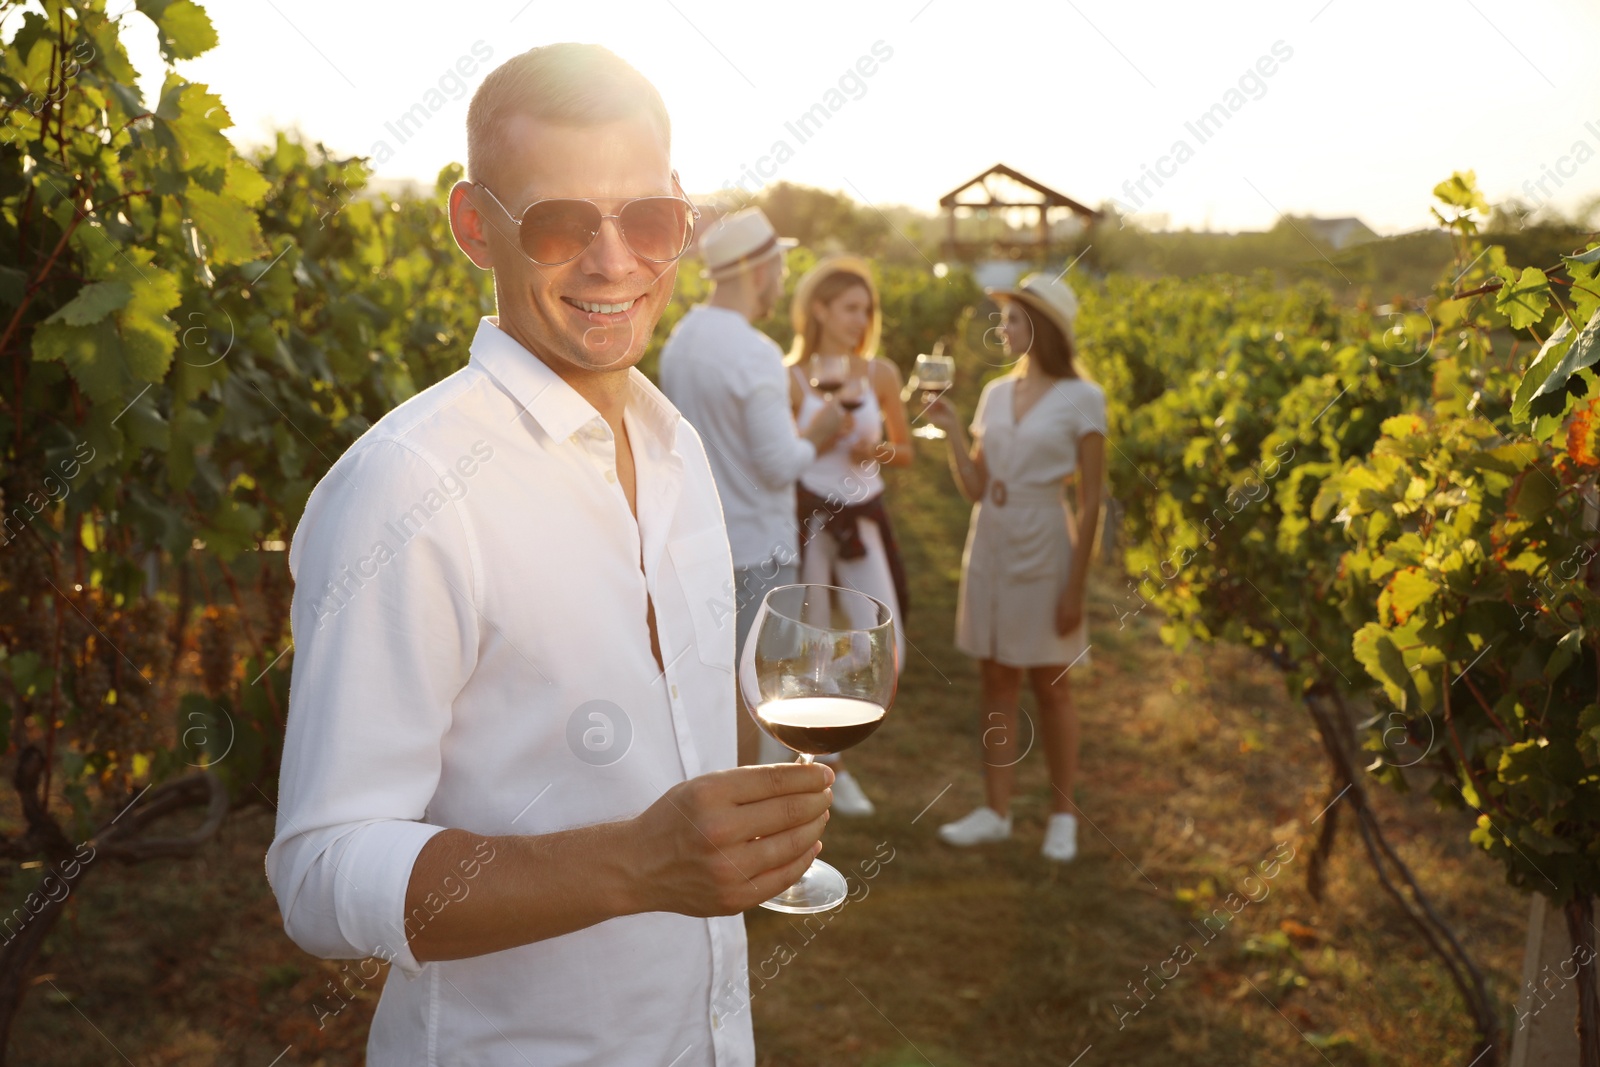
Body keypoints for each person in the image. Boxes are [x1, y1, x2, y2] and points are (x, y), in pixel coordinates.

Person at [265, 44, 835, 1066]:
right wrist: (632, 864)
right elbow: (319, 871)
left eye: (649, 221)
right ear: (475, 228)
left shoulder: (676, 450)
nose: (614, 262)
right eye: (562, 222)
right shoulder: (407, 487)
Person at [658, 209, 851, 767]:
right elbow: (776, 464)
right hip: (758, 554)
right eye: (781, 266)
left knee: (712, 693)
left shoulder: (682, 338)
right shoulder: (756, 352)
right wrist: (816, 433)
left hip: (700, 544)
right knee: (761, 695)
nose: (785, 279)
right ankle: (758, 827)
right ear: (757, 270)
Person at [926, 272, 1106, 863]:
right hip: (992, 540)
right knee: (995, 679)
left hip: (1045, 540)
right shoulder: (995, 395)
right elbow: (976, 486)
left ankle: (1062, 816)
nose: (1001, 328)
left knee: (1053, 686)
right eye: (1003, 318)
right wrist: (952, 432)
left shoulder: (1085, 399)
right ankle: (996, 811)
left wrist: (1076, 586)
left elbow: (1092, 501)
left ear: (1043, 327)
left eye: (1013, 319)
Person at [782, 255, 913, 816]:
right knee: (808, 640)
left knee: (884, 646)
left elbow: (903, 451)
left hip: (863, 519)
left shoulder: (879, 373)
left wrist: (873, 451)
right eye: (850, 308)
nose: (862, 321)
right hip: (810, 522)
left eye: (867, 310)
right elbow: (782, 460)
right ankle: (831, 767)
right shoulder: (789, 379)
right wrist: (816, 436)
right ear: (819, 309)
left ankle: (827, 745)